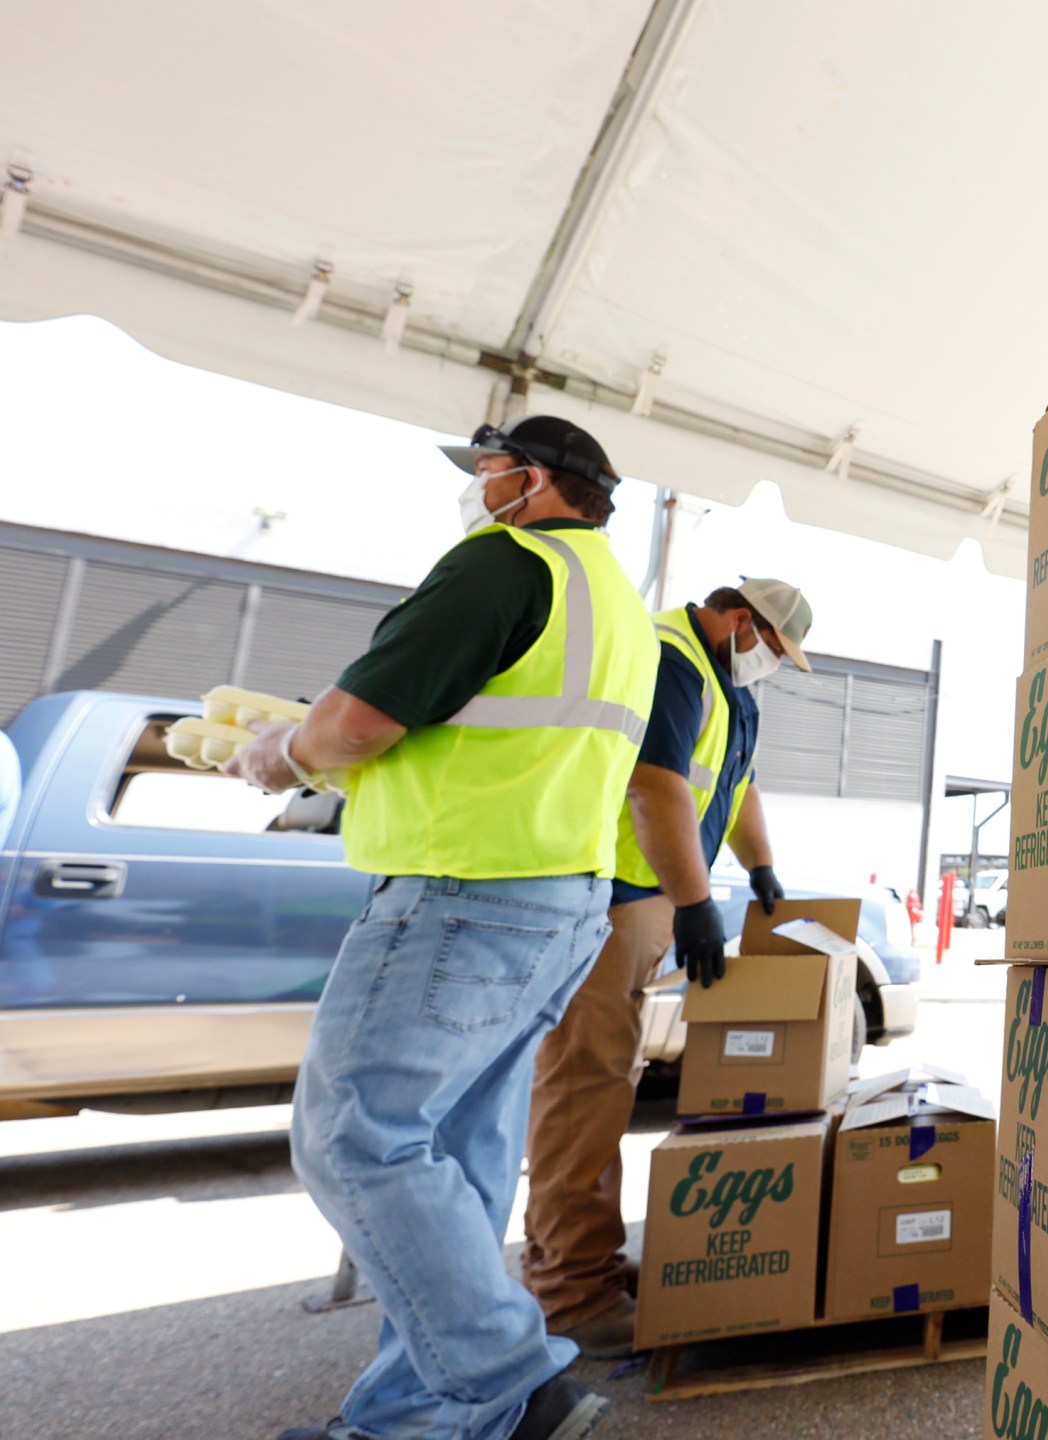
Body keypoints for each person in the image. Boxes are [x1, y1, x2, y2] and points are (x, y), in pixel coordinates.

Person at [227, 415, 656, 1440]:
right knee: (455, 1159)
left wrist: (284, 752)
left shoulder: (503, 564)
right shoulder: (620, 606)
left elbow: (359, 720)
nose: (476, 488)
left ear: (534, 481)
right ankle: (418, 1420)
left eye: (488, 470)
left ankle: (511, 1377)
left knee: (353, 1137)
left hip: (463, 893)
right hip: (556, 901)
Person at [520, 577, 817, 1357]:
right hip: (611, 895)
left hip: (642, 897)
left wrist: (760, 867)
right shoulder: (671, 658)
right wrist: (694, 901)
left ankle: (584, 1263)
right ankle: (570, 1292)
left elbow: (737, 785)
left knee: (603, 1084)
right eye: (773, 649)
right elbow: (653, 786)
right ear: (741, 621)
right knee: (584, 1088)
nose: (771, 665)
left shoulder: (728, 685)